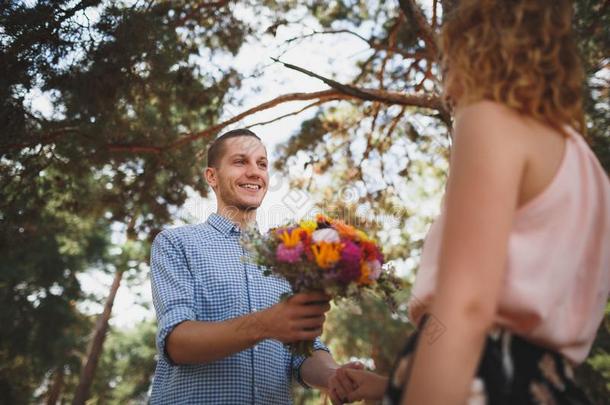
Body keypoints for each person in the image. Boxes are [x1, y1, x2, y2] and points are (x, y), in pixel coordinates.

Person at [329, 0, 610, 404]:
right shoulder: (587, 168)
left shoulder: (491, 121)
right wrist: (389, 386)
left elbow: (467, 308)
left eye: (449, 61)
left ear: (475, 48)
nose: (447, 86)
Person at [149, 129, 359, 404]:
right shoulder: (176, 243)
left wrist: (333, 375)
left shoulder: (289, 257)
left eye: (262, 164)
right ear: (212, 176)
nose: (254, 172)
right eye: (240, 162)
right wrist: (265, 324)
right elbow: (176, 343)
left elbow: (301, 352)